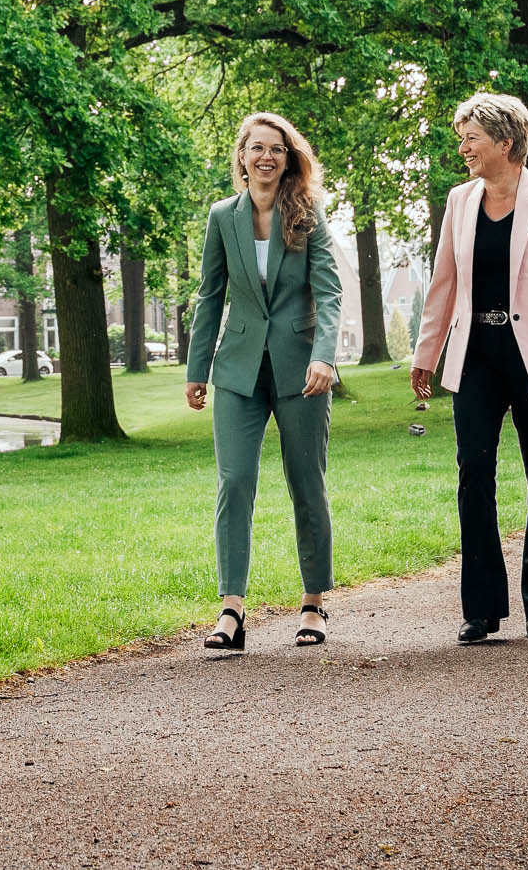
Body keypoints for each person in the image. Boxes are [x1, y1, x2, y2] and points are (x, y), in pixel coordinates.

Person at [410, 93, 528, 645]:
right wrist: (427, 353)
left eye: (471, 138)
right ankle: (483, 607)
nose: (463, 148)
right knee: (474, 475)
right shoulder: (459, 201)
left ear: (506, 143)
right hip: (476, 356)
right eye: (462, 138)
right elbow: (443, 282)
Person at [185, 112, 344, 652]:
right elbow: (209, 296)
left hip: (302, 372)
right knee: (234, 484)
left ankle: (314, 603)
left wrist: (325, 357)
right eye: (257, 148)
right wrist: (196, 369)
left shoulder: (307, 215)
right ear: (242, 157)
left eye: (276, 148)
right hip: (237, 370)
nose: (266, 157)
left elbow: (330, 292)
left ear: (288, 157)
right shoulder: (221, 217)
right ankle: (232, 608)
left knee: (307, 483)